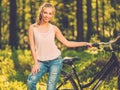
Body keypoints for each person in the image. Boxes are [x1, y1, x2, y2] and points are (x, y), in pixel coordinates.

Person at [27, 2, 92, 90]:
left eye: (50, 13)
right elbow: (32, 47)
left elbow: (67, 43)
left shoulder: (54, 29)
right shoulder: (33, 28)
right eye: (45, 12)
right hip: (41, 62)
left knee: (50, 88)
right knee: (31, 81)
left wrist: (84, 43)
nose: (47, 16)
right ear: (41, 13)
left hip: (55, 61)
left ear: (52, 15)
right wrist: (35, 63)